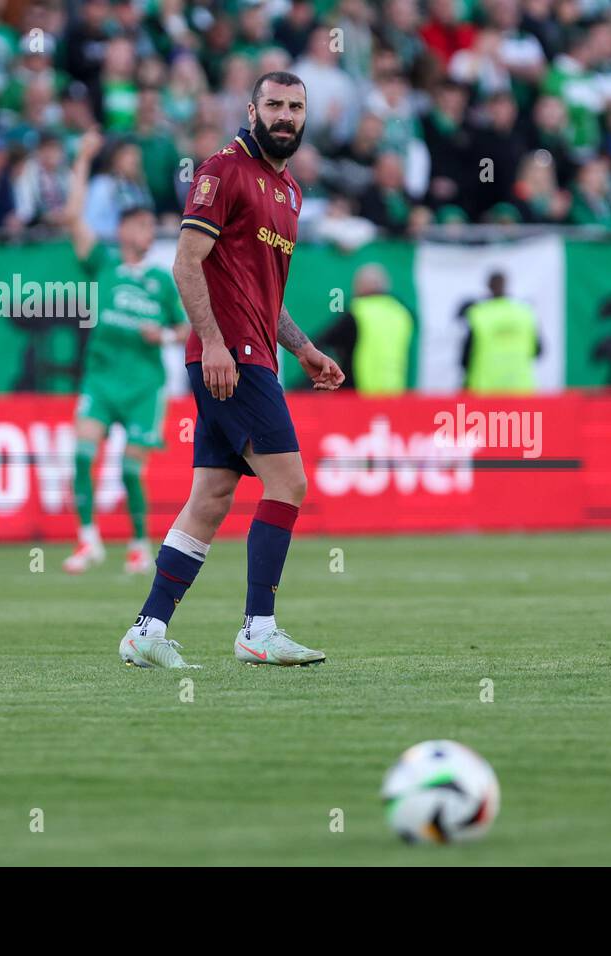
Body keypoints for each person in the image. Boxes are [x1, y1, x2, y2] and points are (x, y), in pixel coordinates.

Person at [120, 71, 345, 670]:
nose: (285, 116)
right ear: (251, 109)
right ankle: (258, 629)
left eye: (295, 108)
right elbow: (185, 263)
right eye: (274, 104)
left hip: (255, 352)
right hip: (232, 358)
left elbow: (265, 296)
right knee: (289, 484)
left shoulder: (291, 192)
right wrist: (215, 343)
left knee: (212, 497)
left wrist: (302, 348)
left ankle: (148, 629)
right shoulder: (222, 170)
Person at [62, 128, 189, 576]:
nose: (142, 230)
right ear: (121, 230)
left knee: (132, 471)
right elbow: (74, 218)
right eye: (135, 224)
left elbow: (186, 327)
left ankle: (139, 545)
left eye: (146, 225)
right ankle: (88, 540)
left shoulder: (161, 280)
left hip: (143, 384)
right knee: (80, 455)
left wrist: (167, 337)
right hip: (101, 376)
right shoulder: (105, 266)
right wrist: (82, 161)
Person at [318, 264, 415, 394]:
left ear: (360, 286)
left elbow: (322, 342)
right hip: (394, 391)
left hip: (358, 392)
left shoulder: (357, 311)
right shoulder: (402, 313)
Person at [459, 271, 540, 394]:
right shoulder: (524, 313)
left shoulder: (479, 314)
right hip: (520, 390)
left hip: (484, 390)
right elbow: (538, 351)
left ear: (488, 286)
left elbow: (465, 358)